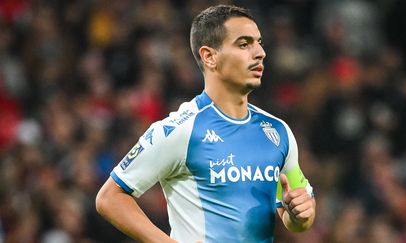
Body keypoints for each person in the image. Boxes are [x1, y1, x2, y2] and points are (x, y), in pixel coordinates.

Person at [95, 4, 316, 243]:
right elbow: (109, 197)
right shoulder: (180, 129)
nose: (260, 52)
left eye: (259, 42)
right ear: (209, 57)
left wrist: (300, 215)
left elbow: (297, 216)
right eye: (244, 44)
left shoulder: (277, 132)